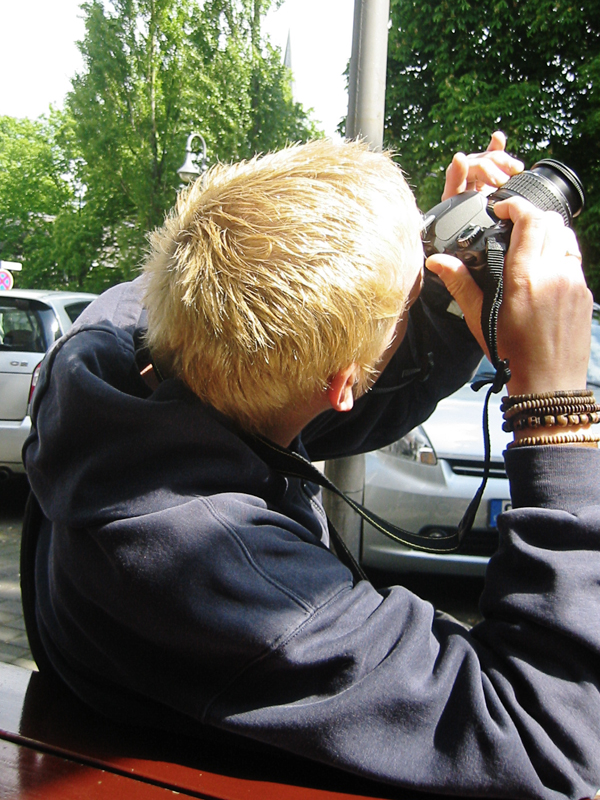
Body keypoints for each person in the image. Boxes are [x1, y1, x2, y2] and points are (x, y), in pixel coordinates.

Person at [23, 133, 600, 800]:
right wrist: (554, 402)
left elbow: (321, 398)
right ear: (340, 378)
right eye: (409, 300)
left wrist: (440, 289)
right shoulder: (233, 576)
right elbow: (550, 742)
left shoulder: (129, 345)